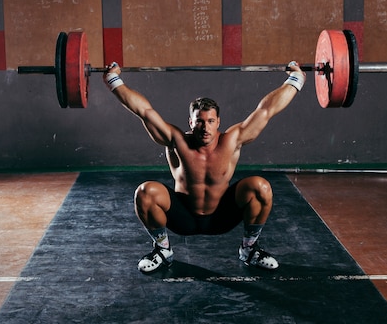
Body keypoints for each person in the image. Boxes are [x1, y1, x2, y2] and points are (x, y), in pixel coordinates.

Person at [103, 61, 306, 274]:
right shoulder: (177, 140)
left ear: (218, 121)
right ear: (191, 122)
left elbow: (267, 110)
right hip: (183, 217)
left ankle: (249, 249)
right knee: (145, 192)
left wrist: (296, 79)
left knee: (260, 187)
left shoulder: (232, 140)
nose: (205, 127)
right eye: (199, 121)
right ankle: (162, 250)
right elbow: (143, 111)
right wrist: (113, 80)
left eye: (210, 121)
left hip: (221, 217)